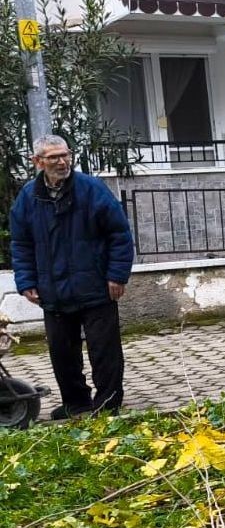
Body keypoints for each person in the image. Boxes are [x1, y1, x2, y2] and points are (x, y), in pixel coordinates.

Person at [9, 135, 134, 419]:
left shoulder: (92, 189)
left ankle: (107, 405)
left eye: (66, 155)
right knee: (62, 354)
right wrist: (26, 281)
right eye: (54, 157)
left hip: (96, 286)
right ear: (37, 162)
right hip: (53, 291)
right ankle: (75, 403)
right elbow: (21, 242)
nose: (63, 161)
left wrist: (117, 275)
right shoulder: (29, 196)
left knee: (104, 351)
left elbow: (119, 234)